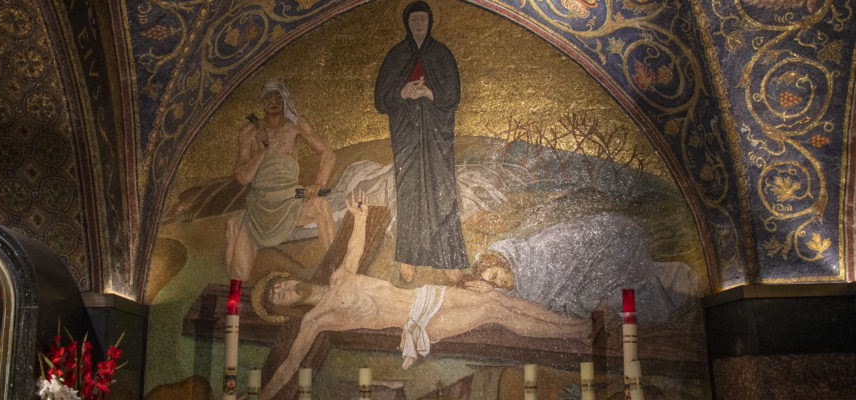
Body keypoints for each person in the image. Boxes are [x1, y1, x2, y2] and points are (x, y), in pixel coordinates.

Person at [248, 191, 592, 399]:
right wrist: (262, 395)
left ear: (288, 278)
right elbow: (290, 364)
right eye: (278, 297)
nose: (283, 290)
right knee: (495, 312)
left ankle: (576, 328)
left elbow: (355, 244)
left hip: (426, 297)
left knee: (496, 299)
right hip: (420, 324)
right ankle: (576, 331)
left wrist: (360, 217)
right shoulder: (315, 319)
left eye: (279, 285)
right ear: (286, 309)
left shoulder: (340, 275)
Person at [374, 1, 468, 283]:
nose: (418, 24)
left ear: (430, 22)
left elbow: (452, 95)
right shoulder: (396, 55)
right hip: (406, 132)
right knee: (409, 190)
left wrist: (429, 93)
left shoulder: (441, 54)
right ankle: (408, 257)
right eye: (413, 20)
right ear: (406, 22)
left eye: (422, 20)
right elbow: (381, 99)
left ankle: (449, 258)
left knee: (442, 188)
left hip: (437, 132)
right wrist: (403, 92)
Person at [464, 213, 699, 323]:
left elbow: (553, 281)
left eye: (496, 275)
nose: (500, 282)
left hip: (613, 240)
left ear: (503, 263)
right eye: (494, 284)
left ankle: (669, 289)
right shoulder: (520, 283)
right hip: (598, 258)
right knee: (597, 298)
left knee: (597, 298)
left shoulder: (534, 255)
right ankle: (672, 277)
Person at [225, 80, 336, 282]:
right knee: (239, 274)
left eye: (278, 97)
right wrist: (261, 153)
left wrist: (319, 184)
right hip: (260, 205)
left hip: (291, 198)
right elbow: (242, 177)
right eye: (268, 97)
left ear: (285, 100)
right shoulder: (249, 132)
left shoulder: (296, 125)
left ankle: (336, 273)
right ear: (261, 102)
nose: (274, 101)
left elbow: (328, 153)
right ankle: (233, 301)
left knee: (321, 205)